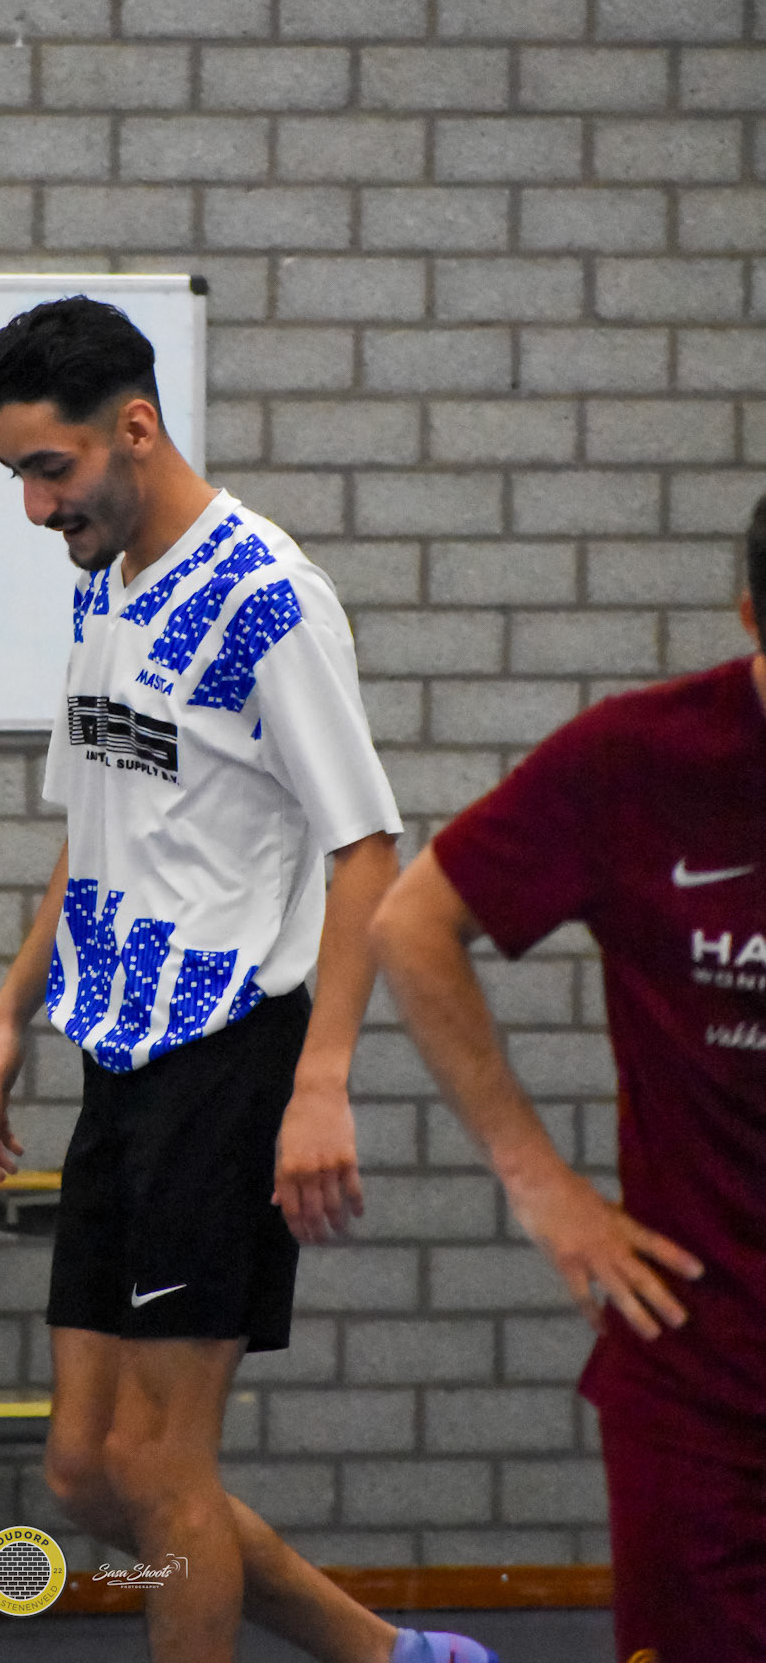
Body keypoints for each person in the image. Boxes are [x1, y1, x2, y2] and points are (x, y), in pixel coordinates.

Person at [0, 296, 497, 1663]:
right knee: (86, 1468)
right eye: (17, 472)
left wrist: (321, 1083)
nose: (35, 506)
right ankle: (389, 1657)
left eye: (51, 468)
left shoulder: (268, 598)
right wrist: (12, 1012)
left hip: (230, 1057)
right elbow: (95, 826)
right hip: (117, 1056)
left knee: (162, 1465)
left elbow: (367, 851)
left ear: (135, 427)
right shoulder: (100, 576)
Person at [370, 494, 766, 1663]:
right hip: (705, 1365)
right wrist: (539, 1181)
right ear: (752, 617)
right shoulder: (639, 759)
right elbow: (412, 923)